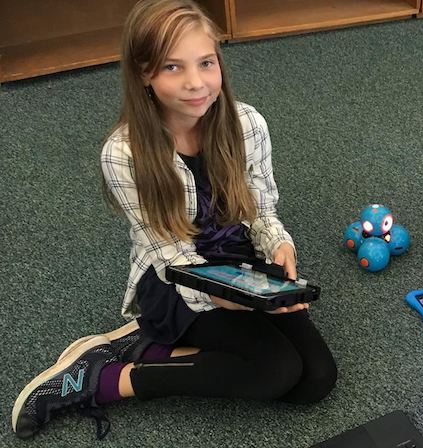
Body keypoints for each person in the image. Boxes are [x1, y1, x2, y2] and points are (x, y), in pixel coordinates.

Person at [12, 0, 336, 439]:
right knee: (274, 371)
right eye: (172, 67)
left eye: (206, 63)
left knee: (316, 379)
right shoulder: (124, 153)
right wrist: (223, 298)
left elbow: (260, 209)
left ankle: (156, 347)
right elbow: (169, 255)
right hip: (176, 280)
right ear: (144, 73)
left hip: (240, 266)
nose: (196, 83)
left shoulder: (249, 124)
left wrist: (279, 245)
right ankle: (103, 377)